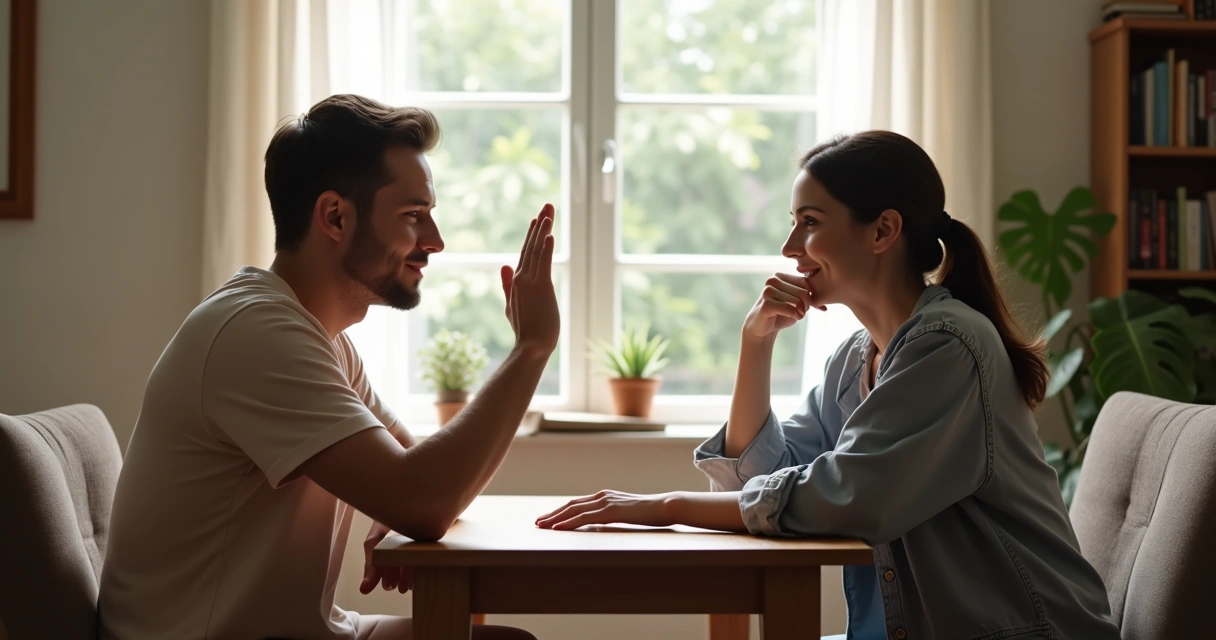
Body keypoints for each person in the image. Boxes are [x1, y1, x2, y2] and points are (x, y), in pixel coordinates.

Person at [537, 131, 1120, 640]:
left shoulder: (947, 345)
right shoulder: (857, 358)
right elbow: (763, 475)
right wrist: (755, 343)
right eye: (792, 225)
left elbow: (849, 496)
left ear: (883, 230)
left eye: (810, 224)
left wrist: (667, 507)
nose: (791, 250)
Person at [99, 94, 552, 640]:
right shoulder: (256, 333)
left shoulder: (320, 339)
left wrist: (409, 497)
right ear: (335, 216)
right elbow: (426, 499)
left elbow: (425, 478)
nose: (434, 242)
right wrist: (531, 348)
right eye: (413, 217)